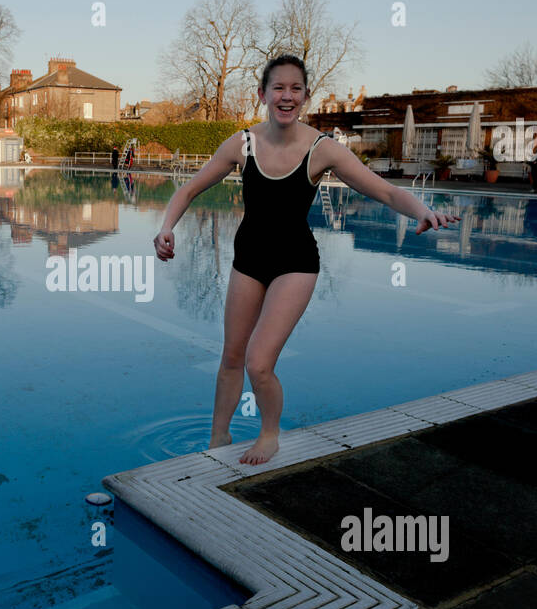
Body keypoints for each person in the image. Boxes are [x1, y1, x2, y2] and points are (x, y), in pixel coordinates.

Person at [152, 55, 460, 466]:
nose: (286, 95)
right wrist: (166, 226)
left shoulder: (322, 149)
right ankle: (218, 434)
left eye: (295, 88)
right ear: (262, 94)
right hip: (248, 260)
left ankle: (269, 434)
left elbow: (385, 192)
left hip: (295, 263)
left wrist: (421, 210)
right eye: (278, 87)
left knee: (258, 364)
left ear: (306, 97)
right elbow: (188, 190)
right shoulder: (242, 144)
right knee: (230, 356)